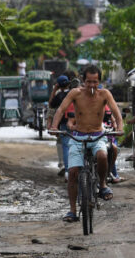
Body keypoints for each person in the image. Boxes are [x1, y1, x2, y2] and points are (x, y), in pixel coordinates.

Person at [49, 65, 124, 223]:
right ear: (83, 80)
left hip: (98, 135)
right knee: (73, 172)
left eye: (95, 82)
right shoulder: (75, 93)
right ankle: (72, 211)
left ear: (99, 81)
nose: (92, 85)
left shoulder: (105, 94)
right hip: (78, 136)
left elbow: (116, 113)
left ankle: (102, 185)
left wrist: (120, 128)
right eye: (89, 82)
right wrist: (54, 126)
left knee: (103, 155)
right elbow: (61, 110)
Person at [47, 75, 71, 176]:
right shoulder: (73, 93)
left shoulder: (58, 96)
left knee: (65, 146)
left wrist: (54, 90)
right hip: (76, 123)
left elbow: (50, 104)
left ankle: (67, 170)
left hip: (64, 124)